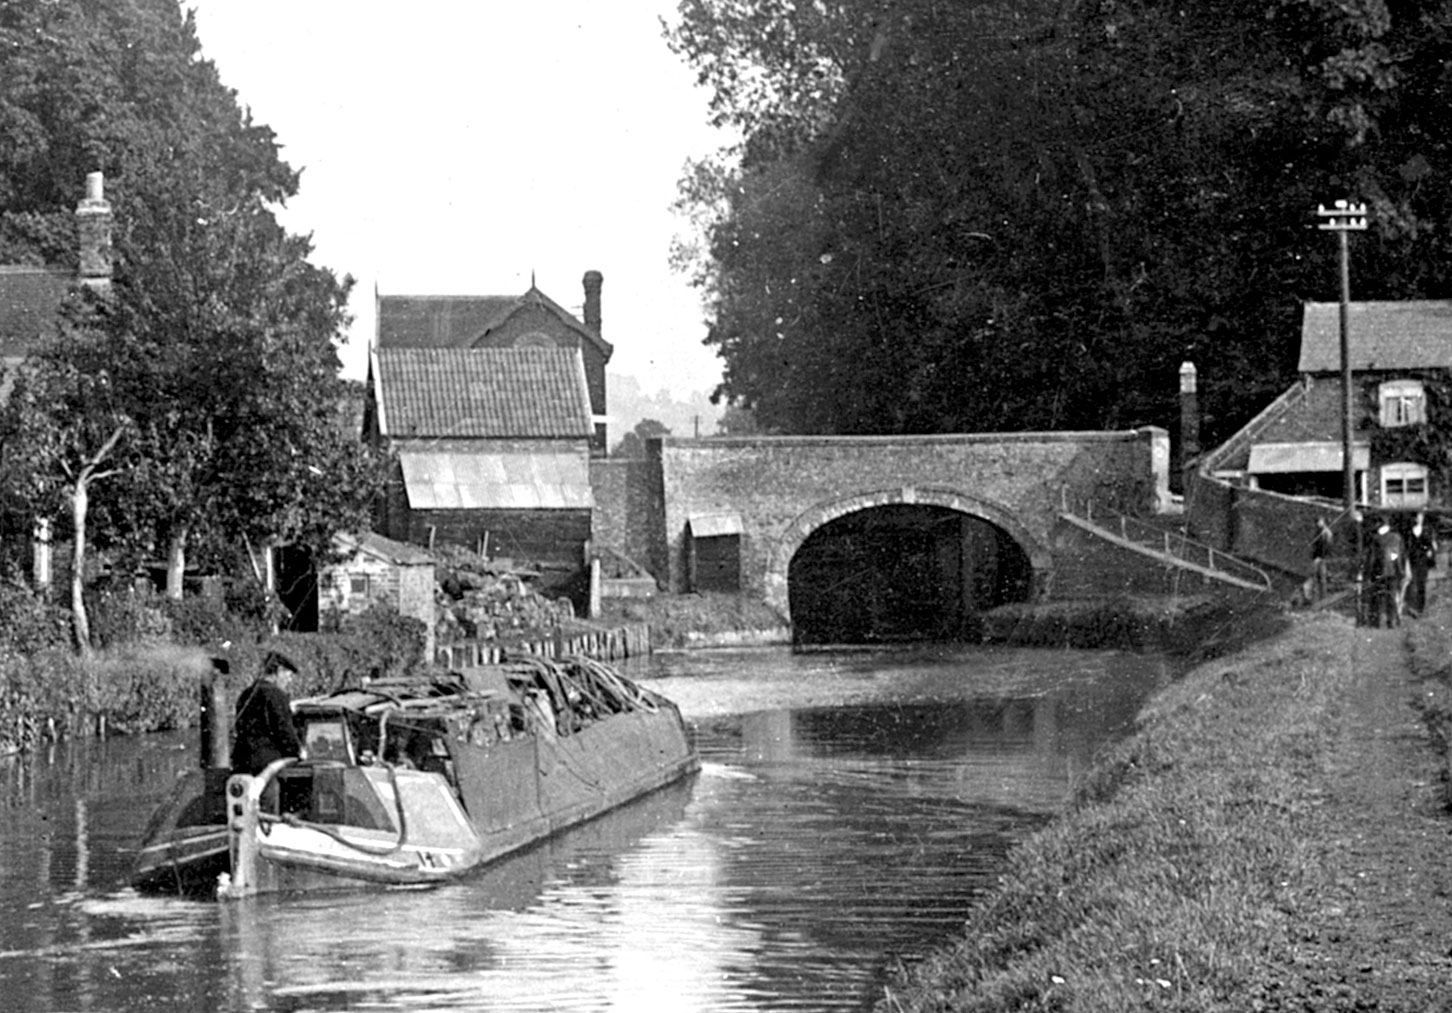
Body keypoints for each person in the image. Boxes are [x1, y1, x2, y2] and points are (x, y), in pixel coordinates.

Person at [230, 651, 306, 776]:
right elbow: (284, 730)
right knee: (269, 795)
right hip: (266, 766)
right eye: (288, 676)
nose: (289, 681)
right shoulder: (276, 695)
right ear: (279, 671)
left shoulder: (246, 694)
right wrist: (298, 751)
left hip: (241, 762)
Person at [1371, 518, 1406, 628]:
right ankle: (1391, 622)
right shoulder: (1396, 538)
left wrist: (1370, 572)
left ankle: (1377, 622)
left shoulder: (1377, 539)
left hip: (1379, 571)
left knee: (1378, 597)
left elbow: (1373, 557)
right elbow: (1397, 556)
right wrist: (1400, 570)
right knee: (1391, 597)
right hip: (1393, 571)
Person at [1405, 512, 1438, 617]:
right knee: (1412, 583)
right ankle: (1411, 607)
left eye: (1420, 517)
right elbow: (1408, 546)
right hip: (1413, 560)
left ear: (1423, 519)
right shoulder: (1410, 531)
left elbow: (1433, 545)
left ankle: (1420, 608)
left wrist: (1430, 552)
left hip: (1423, 561)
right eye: (1417, 517)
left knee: (1421, 585)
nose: (1418, 519)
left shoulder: (1427, 531)